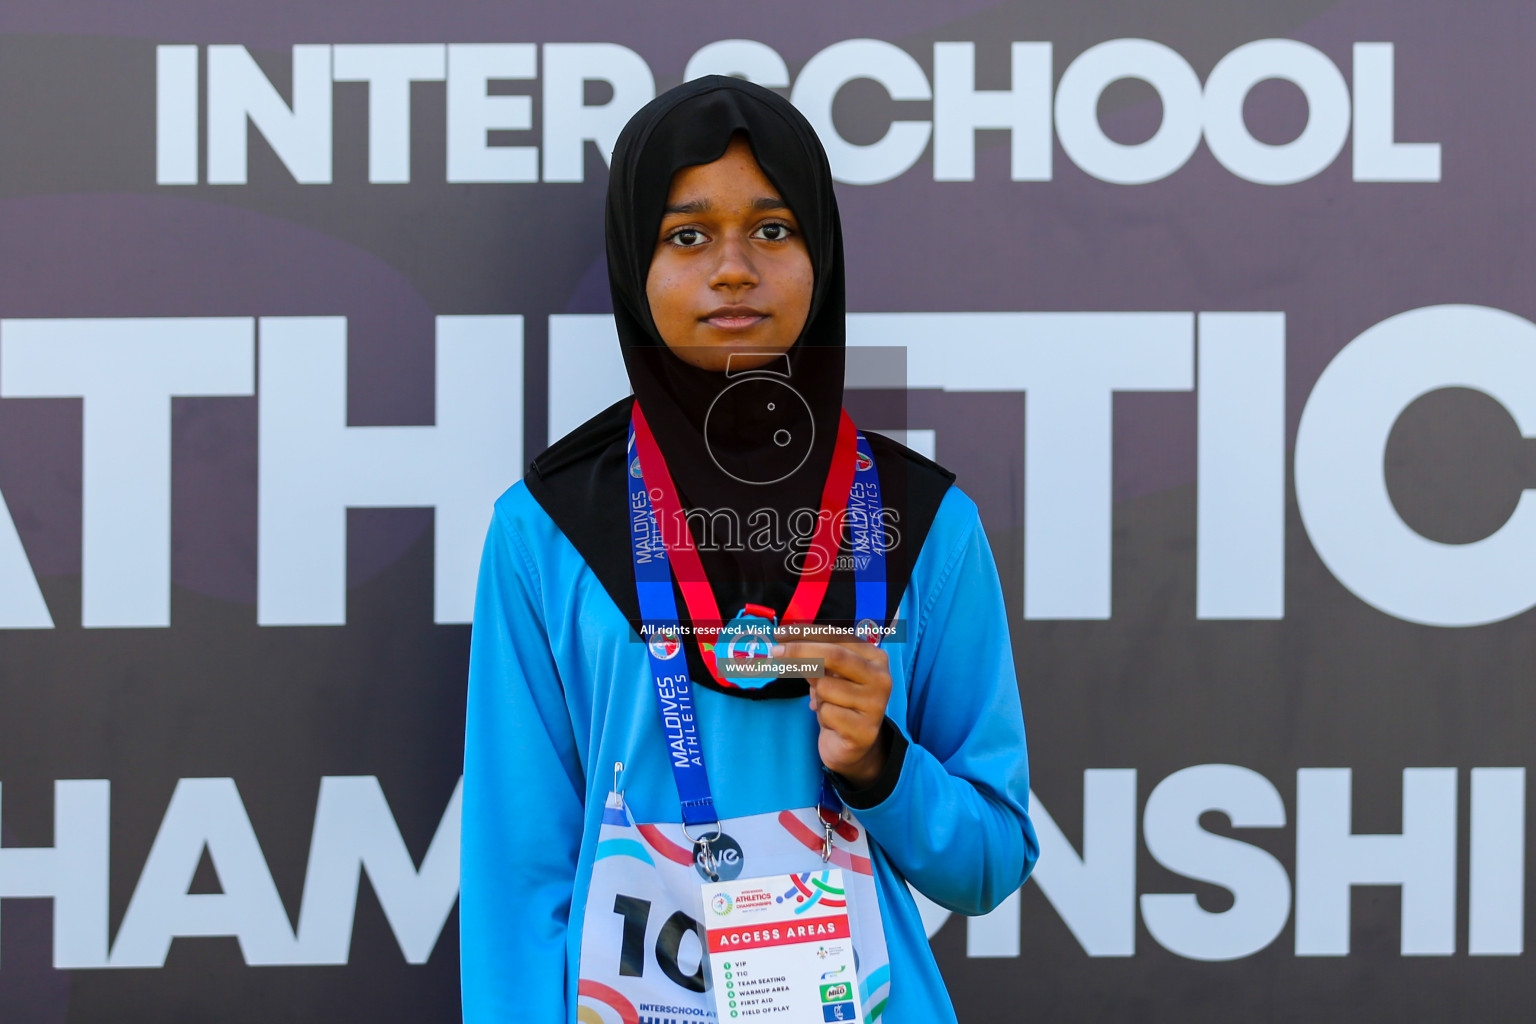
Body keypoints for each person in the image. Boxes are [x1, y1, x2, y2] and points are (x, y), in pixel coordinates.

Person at [460, 76, 1038, 1024]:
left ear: (822, 253)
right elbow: (516, 888)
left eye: (773, 230)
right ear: (633, 264)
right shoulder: (547, 528)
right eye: (688, 236)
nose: (734, 268)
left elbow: (990, 863)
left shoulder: (921, 521)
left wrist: (882, 768)